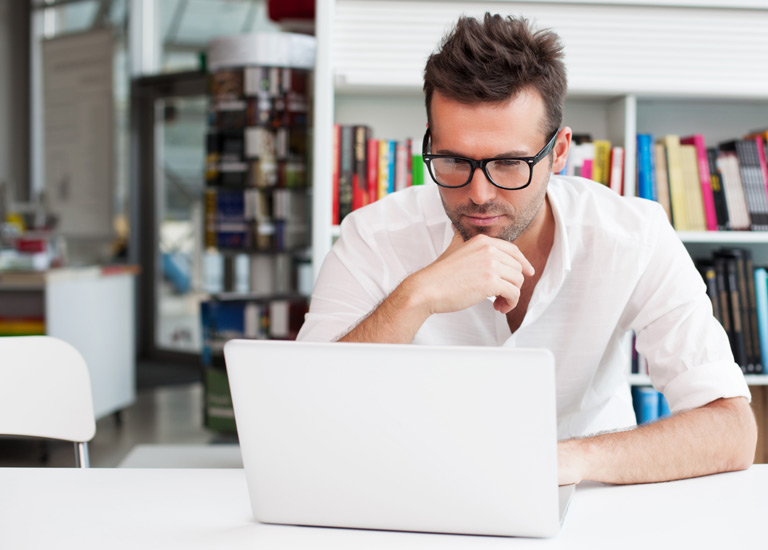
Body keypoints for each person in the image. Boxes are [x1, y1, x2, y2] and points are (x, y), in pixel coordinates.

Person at [297, 13, 756, 485]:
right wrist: (415, 298)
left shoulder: (633, 235)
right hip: (414, 494)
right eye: (454, 160)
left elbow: (731, 429)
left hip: (589, 502)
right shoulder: (373, 236)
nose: (478, 193)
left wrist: (566, 461)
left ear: (558, 153)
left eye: (510, 163)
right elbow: (300, 412)